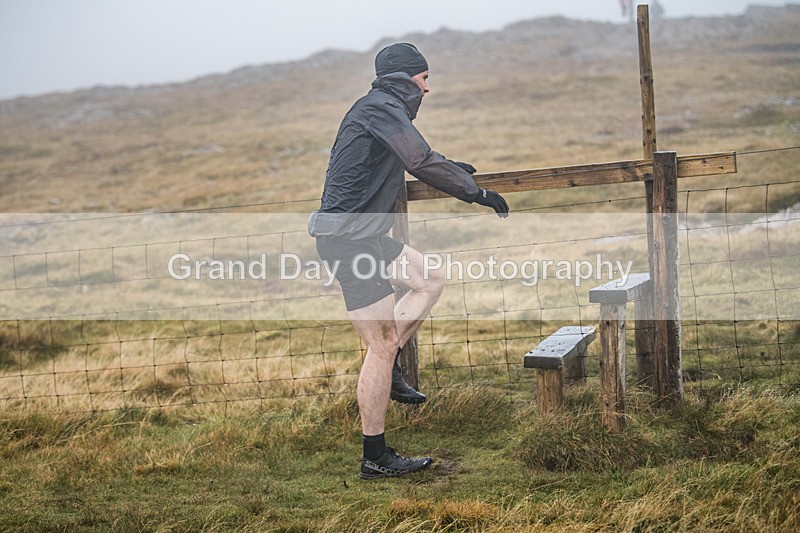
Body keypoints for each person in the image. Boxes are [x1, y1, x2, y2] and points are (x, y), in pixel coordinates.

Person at [308, 42, 509, 479]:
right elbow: (418, 159)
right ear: (406, 78)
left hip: (364, 236)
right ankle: (375, 456)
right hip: (347, 242)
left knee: (431, 277)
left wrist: (452, 167)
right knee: (377, 347)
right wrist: (477, 193)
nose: (428, 89)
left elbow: (407, 155)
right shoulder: (379, 108)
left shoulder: (379, 108)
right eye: (424, 79)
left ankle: (391, 362)